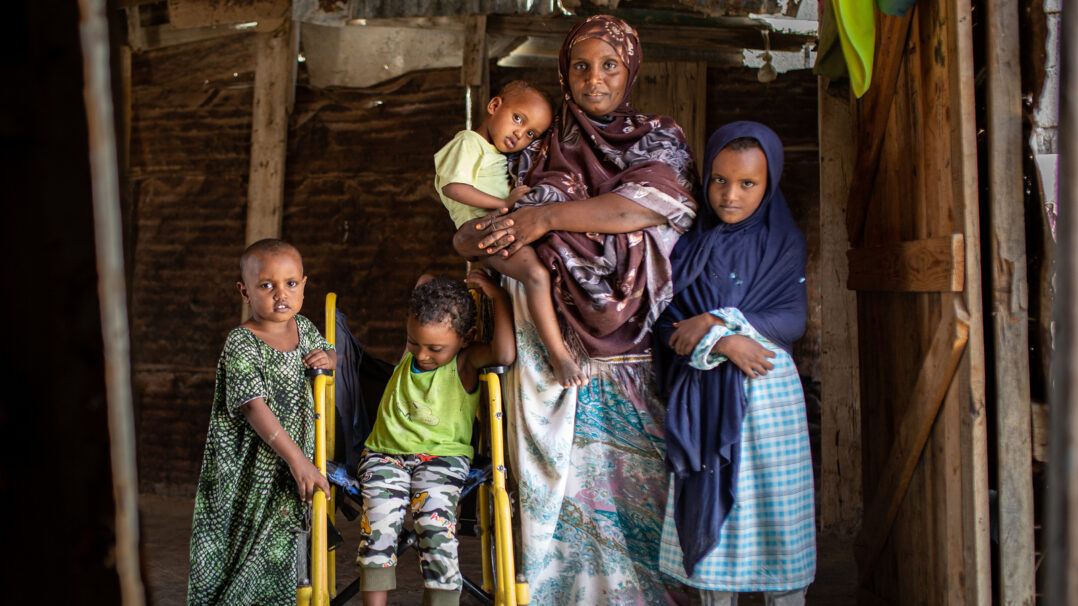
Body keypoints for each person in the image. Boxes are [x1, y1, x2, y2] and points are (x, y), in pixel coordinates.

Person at [452, 15, 697, 604]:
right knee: (563, 501)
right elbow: (485, 227)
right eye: (582, 66)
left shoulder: (658, 137)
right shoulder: (542, 144)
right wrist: (476, 239)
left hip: (635, 352)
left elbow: (643, 211)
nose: (595, 78)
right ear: (565, 73)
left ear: (630, 68)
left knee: (643, 490)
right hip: (547, 354)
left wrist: (549, 219)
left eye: (609, 64)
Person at [654, 122, 816, 605]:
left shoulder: (784, 243)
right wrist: (724, 343)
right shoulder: (685, 245)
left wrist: (716, 322)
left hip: (768, 395)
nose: (730, 195)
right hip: (703, 397)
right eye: (720, 180)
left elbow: (791, 320)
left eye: (748, 183)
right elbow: (669, 328)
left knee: (777, 517)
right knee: (714, 526)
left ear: (769, 184)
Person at [187, 238, 336, 606]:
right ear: (245, 292)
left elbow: (330, 353)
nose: (280, 294)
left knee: (284, 545)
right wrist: (299, 460)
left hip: (288, 467)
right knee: (243, 545)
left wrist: (330, 358)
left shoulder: (304, 328)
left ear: (303, 284)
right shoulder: (242, 342)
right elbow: (254, 407)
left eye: (290, 283)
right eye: (266, 285)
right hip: (250, 470)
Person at [355, 272, 515, 606]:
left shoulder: (465, 362)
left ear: (466, 338)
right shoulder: (411, 353)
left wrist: (497, 296)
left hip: (442, 460)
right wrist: (442, 293)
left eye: (435, 348)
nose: (422, 354)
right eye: (413, 342)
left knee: (435, 525)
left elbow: (504, 354)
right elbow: (425, 279)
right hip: (385, 455)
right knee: (378, 527)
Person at [434, 82, 581, 387]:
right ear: (494, 106)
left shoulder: (494, 151)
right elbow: (453, 187)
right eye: (518, 118)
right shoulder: (468, 142)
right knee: (537, 275)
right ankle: (559, 355)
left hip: (492, 226)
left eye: (530, 134)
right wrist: (503, 202)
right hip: (478, 229)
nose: (520, 135)